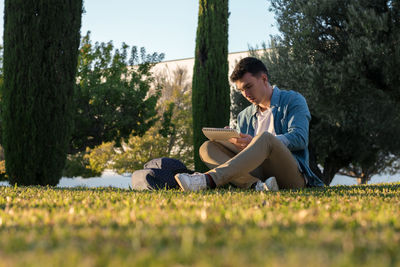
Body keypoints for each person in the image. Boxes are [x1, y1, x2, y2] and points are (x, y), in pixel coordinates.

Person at [175, 57, 324, 191]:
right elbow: (243, 155)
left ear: (264, 79)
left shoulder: (293, 100)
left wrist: (255, 142)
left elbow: (300, 138)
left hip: (291, 176)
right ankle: (255, 185)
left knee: (265, 138)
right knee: (207, 148)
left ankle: (208, 180)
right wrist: (231, 139)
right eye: (241, 90)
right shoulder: (244, 116)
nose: (245, 94)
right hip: (260, 175)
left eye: (248, 86)